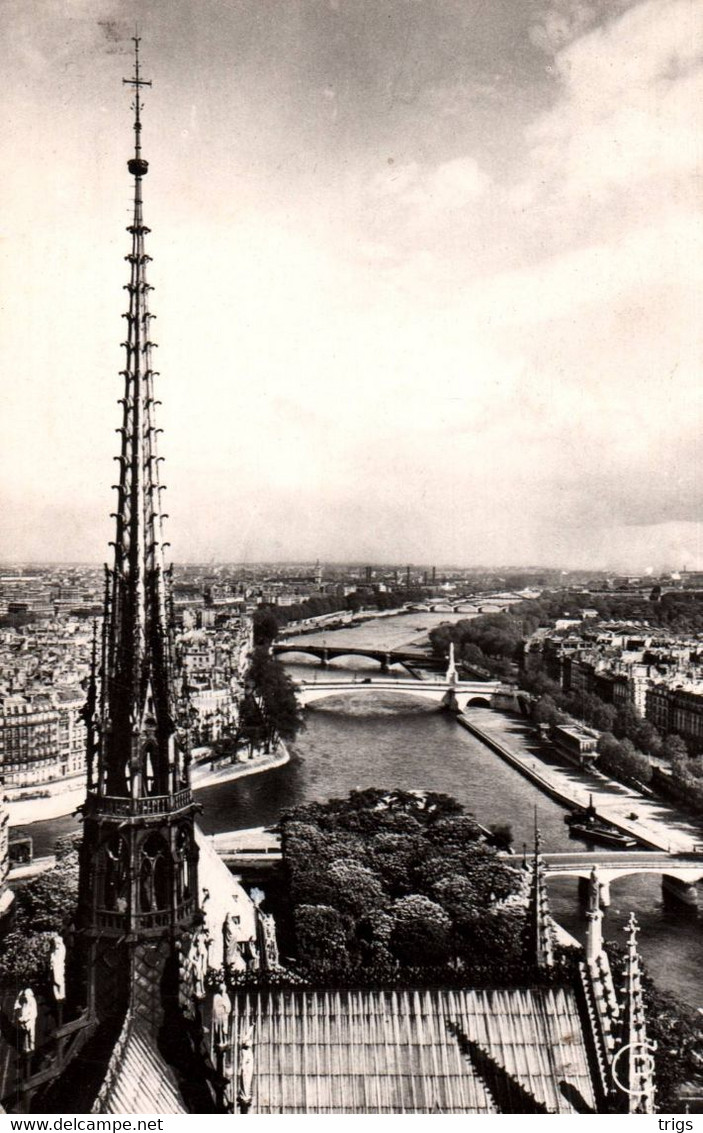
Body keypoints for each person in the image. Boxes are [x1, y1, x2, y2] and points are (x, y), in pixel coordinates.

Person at [14, 989, 37, 1055]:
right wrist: (18, 996)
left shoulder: (33, 1001)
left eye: (27, 995)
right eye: (25, 995)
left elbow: (34, 1014)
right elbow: (16, 1006)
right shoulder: (23, 1000)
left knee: (31, 1034)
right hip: (23, 1021)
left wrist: (25, 1019)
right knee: (25, 1035)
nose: (26, 996)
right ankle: (27, 1049)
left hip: (30, 1021)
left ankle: (32, 1048)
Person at [50, 934, 66, 1002]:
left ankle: (62, 995)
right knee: (54, 981)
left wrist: (53, 958)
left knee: (59, 981)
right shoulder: (55, 949)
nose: (56, 944)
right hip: (54, 966)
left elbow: (58, 959)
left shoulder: (61, 948)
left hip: (58, 966)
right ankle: (58, 996)